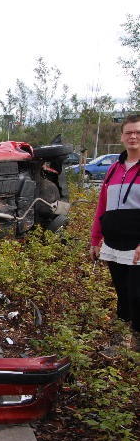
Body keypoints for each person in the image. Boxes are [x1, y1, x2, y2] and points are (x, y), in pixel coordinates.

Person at [90, 114, 140, 334]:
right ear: (121, 136)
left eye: (138, 132)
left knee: (137, 294)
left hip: (137, 244)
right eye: (129, 132)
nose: (133, 136)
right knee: (122, 292)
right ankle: (122, 338)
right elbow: (102, 206)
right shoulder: (113, 169)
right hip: (113, 243)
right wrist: (95, 239)